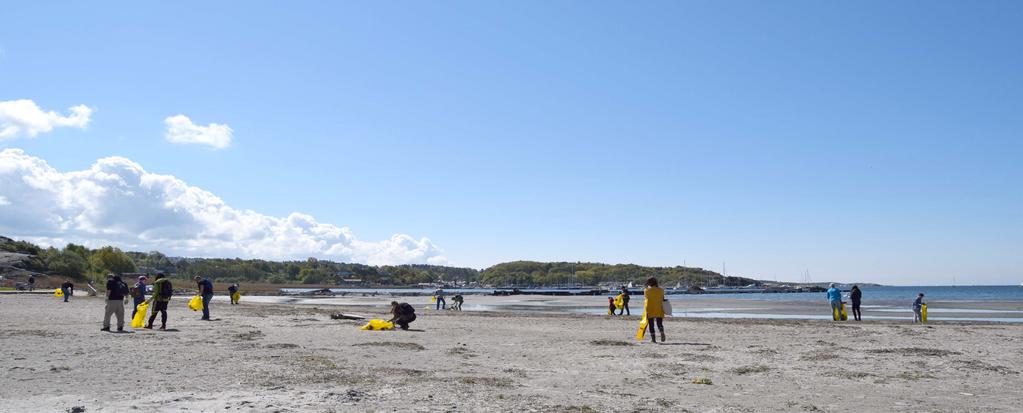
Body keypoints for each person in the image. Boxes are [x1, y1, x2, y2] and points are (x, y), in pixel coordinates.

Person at [644, 277, 666, 343]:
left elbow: (646, 298)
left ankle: (653, 340)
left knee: (651, 324)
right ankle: (661, 331)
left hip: (650, 308)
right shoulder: (661, 290)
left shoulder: (646, 290)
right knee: (659, 322)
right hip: (659, 307)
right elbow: (663, 298)